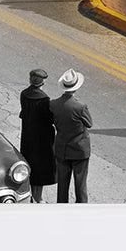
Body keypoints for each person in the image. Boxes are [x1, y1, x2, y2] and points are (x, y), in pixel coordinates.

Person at [50, 69, 93, 203]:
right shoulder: (80, 106)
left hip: (62, 148)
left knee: (62, 184)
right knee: (80, 185)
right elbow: (89, 123)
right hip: (79, 150)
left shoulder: (53, 104)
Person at [18, 68, 56, 203]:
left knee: (30, 165)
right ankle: (38, 198)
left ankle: (31, 196)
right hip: (41, 139)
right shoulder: (44, 99)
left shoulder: (24, 94)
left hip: (28, 136)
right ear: (42, 83)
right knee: (40, 168)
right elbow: (49, 119)